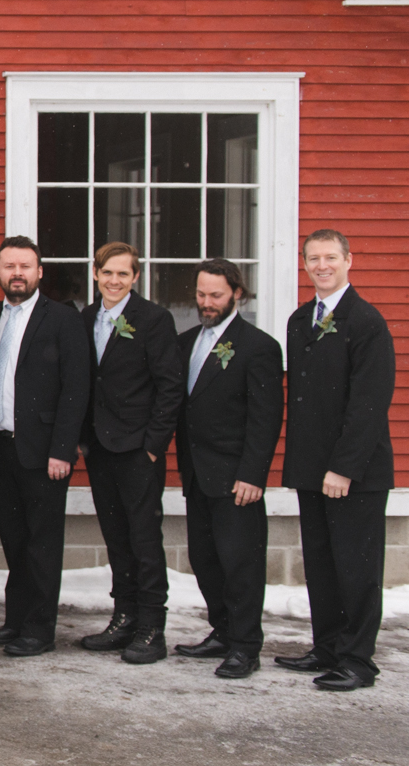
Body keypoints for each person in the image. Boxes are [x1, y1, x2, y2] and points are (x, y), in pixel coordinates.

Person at [275, 229, 396, 692]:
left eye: (330, 257)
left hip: (354, 472)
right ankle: (326, 646)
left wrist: (343, 467)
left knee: (356, 567)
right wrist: (309, 466)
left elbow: (369, 401)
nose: (321, 265)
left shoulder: (365, 321)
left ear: (348, 260)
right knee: (321, 564)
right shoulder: (300, 319)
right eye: (313, 258)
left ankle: (357, 661)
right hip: (311, 467)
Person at [0, 236, 90, 657]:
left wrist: (63, 449)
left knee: (42, 542)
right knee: (14, 538)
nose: (17, 273)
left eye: (25, 266)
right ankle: (15, 620)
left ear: (40, 271)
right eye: (9, 266)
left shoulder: (62, 320)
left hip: (45, 452)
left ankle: (40, 629)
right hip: (3, 446)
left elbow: (76, 388)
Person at [172, 258, 283, 679]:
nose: (206, 303)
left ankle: (245, 646)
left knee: (241, 564)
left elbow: (265, 418)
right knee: (206, 560)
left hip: (237, 478)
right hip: (198, 475)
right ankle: (221, 631)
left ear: (237, 292)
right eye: (201, 295)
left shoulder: (258, 346)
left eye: (215, 295)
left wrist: (253, 475)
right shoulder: (187, 343)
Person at [78, 241, 185, 664]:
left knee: (143, 538)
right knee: (116, 537)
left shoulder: (154, 320)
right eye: (108, 273)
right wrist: (85, 439)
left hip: (139, 449)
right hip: (101, 448)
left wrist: (154, 447)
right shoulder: (87, 318)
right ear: (95, 273)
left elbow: (169, 387)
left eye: (123, 274)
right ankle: (123, 618)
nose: (115, 280)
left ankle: (151, 628)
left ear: (135, 277)